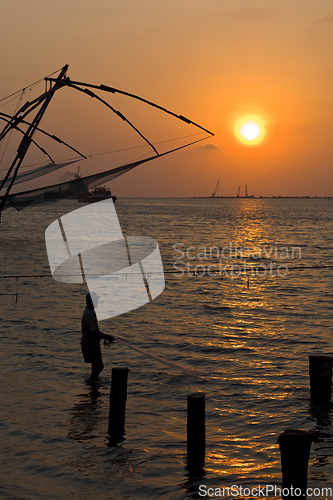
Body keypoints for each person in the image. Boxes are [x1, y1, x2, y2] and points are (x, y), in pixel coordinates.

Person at [81, 291, 115, 383]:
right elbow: (94, 333)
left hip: (91, 344)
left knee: (95, 366)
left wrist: (106, 336)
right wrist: (107, 337)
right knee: (99, 366)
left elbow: (95, 332)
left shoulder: (90, 313)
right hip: (90, 345)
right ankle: (92, 381)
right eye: (95, 300)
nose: (97, 302)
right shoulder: (88, 315)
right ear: (90, 302)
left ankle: (93, 387)